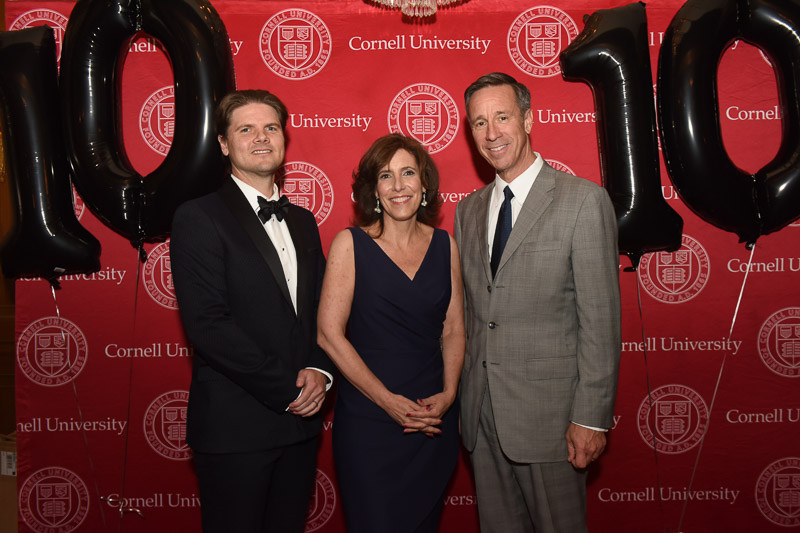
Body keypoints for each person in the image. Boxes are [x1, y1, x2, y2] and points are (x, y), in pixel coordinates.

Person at [454, 72, 621, 532]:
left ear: (528, 118)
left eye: (502, 117)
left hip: (552, 421)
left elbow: (600, 320)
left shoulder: (583, 201)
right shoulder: (468, 211)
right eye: (479, 122)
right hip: (483, 417)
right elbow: (473, 313)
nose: (491, 133)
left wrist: (591, 416)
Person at [170, 89, 334, 533]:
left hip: (300, 429)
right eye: (246, 129)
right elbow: (207, 324)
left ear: (284, 138)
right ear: (223, 143)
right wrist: (288, 388)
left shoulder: (303, 220)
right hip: (235, 429)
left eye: (271, 128)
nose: (261, 138)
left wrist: (320, 372)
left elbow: (321, 310)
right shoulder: (198, 217)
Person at [317, 133, 465, 532]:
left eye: (408, 173)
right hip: (371, 423)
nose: (399, 185)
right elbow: (329, 334)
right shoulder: (350, 244)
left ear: (424, 185)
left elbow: (453, 329)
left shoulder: (444, 244)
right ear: (374, 190)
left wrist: (450, 394)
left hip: (433, 421)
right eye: (386, 175)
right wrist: (387, 402)